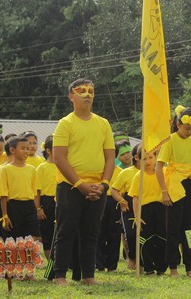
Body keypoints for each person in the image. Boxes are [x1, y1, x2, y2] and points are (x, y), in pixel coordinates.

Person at [52, 78, 116, 285]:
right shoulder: (66, 123)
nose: (87, 94)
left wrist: (104, 184)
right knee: (66, 231)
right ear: (71, 96)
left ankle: (88, 275)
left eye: (91, 91)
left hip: (97, 186)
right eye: (82, 91)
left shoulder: (103, 123)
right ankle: (60, 275)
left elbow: (110, 157)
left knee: (91, 233)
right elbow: (59, 157)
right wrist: (80, 185)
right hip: (70, 186)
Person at [156, 105, 191, 277]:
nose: (190, 132)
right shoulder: (169, 140)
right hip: (173, 183)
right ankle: (173, 267)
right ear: (178, 124)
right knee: (173, 226)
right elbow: (158, 167)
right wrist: (164, 191)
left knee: (190, 225)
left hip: (190, 182)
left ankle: (190, 267)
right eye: (187, 128)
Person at [0, 135, 42, 243]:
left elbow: (35, 193)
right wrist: (5, 215)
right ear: (12, 150)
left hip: (29, 206)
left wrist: (37, 209)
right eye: (23, 148)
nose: (26, 151)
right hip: (13, 206)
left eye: (27, 148)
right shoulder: (5, 169)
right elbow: (3, 194)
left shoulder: (32, 169)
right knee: (13, 240)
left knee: (35, 238)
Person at [129, 150, 167, 275]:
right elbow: (135, 197)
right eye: (144, 158)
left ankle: (161, 268)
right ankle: (148, 267)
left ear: (156, 157)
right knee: (146, 239)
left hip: (161, 208)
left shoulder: (163, 173)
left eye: (150, 157)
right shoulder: (138, 176)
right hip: (145, 210)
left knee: (161, 238)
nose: (148, 161)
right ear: (138, 159)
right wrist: (137, 217)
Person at [110, 143, 140, 270]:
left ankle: (145, 262)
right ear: (136, 157)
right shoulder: (126, 172)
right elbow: (114, 190)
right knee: (131, 234)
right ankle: (132, 258)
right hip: (129, 204)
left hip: (147, 202)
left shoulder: (153, 172)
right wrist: (122, 201)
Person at [96, 142, 123, 272]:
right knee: (99, 232)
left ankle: (112, 265)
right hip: (99, 199)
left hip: (115, 202)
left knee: (114, 233)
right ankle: (99, 264)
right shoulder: (98, 170)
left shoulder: (121, 172)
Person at [36, 135, 57, 259]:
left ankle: (60, 260)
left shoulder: (64, 166)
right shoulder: (42, 167)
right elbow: (37, 191)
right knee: (47, 232)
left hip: (61, 201)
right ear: (48, 150)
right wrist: (38, 208)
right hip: (47, 202)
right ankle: (50, 261)